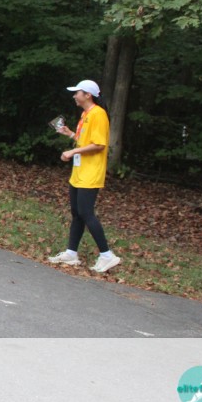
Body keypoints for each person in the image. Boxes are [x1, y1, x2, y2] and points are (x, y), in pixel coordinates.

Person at [47, 79, 121, 273]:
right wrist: (71, 134)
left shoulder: (99, 114)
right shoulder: (85, 114)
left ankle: (107, 255)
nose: (74, 96)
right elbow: (86, 140)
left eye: (77, 92)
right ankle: (71, 253)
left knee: (86, 213)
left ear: (87, 95)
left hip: (91, 172)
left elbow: (99, 144)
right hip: (79, 172)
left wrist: (72, 152)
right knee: (76, 213)